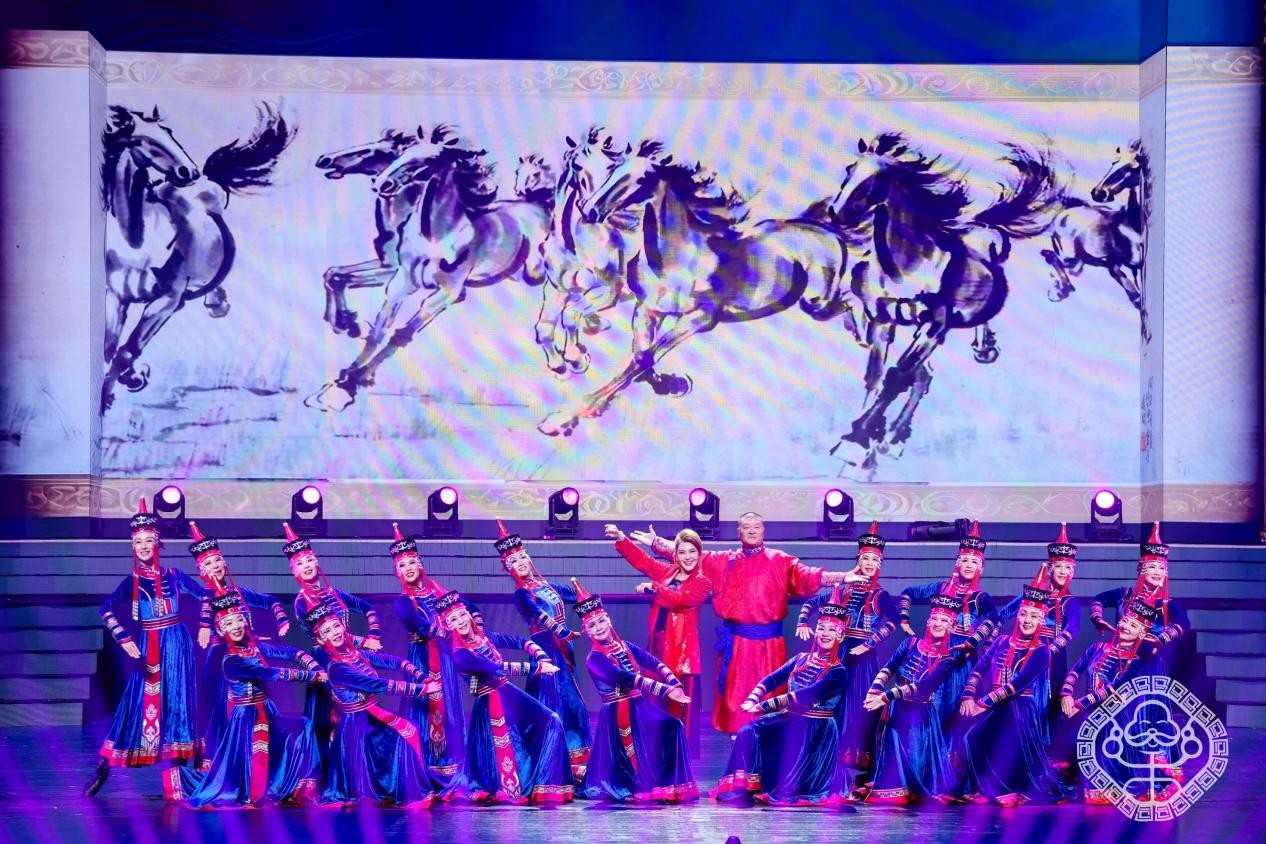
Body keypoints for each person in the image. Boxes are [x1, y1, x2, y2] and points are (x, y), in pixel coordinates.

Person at [639, 512, 851, 733]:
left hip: (769, 647)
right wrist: (656, 544)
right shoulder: (725, 561)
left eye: (756, 527)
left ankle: (767, 738)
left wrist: (842, 577)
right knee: (736, 707)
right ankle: (737, 743)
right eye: (746, 527)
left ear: (763, 530)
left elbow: (808, 575)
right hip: (737, 646)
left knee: (768, 704)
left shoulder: (780, 560)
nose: (751, 531)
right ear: (738, 532)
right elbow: (693, 557)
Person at [84, 498, 208, 798]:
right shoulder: (132, 581)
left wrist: (205, 625)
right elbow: (105, 609)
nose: (143, 546)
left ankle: (179, 779)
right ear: (132, 546)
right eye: (138, 541)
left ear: (158, 543)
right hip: (149, 647)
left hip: (177, 644)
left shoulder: (175, 575)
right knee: (136, 704)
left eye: (148, 540)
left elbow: (206, 596)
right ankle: (104, 766)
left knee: (178, 703)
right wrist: (125, 639)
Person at [162, 585, 324, 807]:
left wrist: (312, 663)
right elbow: (269, 673)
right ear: (221, 631)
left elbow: (289, 652)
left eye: (239, 620)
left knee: (303, 725)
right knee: (246, 766)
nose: (236, 626)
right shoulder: (230, 660)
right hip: (247, 718)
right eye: (229, 624)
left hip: (267, 711)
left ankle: (298, 787)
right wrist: (311, 676)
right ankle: (252, 791)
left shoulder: (256, 648)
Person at [434, 579, 575, 804]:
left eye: (461, 615)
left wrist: (538, 652)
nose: (460, 622)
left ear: (468, 615)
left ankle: (547, 784)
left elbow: (518, 641)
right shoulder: (460, 654)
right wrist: (537, 668)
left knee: (551, 720)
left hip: (506, 693)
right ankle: (512, 787)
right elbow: (496, 668)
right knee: (505, 750)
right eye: (453, 620)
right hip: (490, 703)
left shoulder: (484, 638)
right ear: (448, 626)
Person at [712, 584, 849, 806]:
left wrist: (762, 706)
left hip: (815, 728)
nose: (825, 634)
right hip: (792, 717)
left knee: (781, 740)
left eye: (832, 630)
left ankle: (780, 785)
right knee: (748, 730)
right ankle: (745, 786)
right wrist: (752, 698)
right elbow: (771, 679)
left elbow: (804, 695)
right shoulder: (801, 659)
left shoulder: (838, 672)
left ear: (840, 636)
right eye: (822, 628)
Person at [949, 568, 1067, 807]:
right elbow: (979, 668)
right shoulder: (1002, 641)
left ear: (1041, 620)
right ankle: (985, 788)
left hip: (1021, 709)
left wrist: (982, 704)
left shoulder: (1042, 651)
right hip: (997, 707)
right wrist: (968, 696)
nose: (1027, 620)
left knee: (1009, 749)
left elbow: (1016, 686)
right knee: (971, 739)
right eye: (1023, 614)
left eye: (1033, 616)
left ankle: (1009, 790)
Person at [572, 577, 697, 802]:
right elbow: (626, 678)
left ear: (608, 620)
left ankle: (669, 784)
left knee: (673, 725)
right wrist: (665, 690)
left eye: (601, 621)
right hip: (618, 713)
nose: (598, 628)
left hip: (639, 705)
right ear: (586, 631)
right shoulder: (595, 659)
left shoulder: (625, 646)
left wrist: (674, 683)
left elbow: (653, 662)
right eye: (592, 625)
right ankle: (638, 784)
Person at [798, 521, 897, 794]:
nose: (869, 564)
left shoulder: (880, 595)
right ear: (858, 560)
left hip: (863, 660)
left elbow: (893, 622)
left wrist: (870, 643)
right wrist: (803, 621)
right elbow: (811, 602)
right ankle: (828, 765)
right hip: (839, 655)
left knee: (861, 709)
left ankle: (863, 772)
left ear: (880, 564)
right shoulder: (843, 589)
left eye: (874, 560)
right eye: (865, 559)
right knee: (834, 706)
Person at [310, 607, 442, 807]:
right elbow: (376, 684)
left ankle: (396, 789)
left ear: (344, 628)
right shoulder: (337, 667)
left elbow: (393, 661)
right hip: (356, 726)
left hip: (371, 714)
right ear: (321, 640)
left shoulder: (355, 655)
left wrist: (421, 676)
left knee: (410, 729)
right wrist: (421, 689)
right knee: (404, 733)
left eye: (336, 626)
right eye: (327, 631)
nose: (335, 632)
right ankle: (409, 793)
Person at [496, 519, 592, 781]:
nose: (520, 562)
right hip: (547, 648)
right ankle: (555, 759)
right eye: (513, 561)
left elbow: (574, 596)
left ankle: (577, 759)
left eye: (523, 557)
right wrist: (562, 632)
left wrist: (587, 599)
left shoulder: (546, 586)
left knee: (574, 703)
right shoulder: (521, 594)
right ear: (507, 567)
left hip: (563, 649)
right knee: (555, 700)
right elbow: (539, 615)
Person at [605, 522, 711, 755]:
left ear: (699, 553)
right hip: (657, 649)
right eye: (682, 552)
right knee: (654, 704)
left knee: (678, 709)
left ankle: (679, 756)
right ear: (675, 554)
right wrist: (622, 538)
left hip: (681, 656)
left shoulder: (702, 582)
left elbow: (680, 600)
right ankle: (655, 753)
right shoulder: (668, 572)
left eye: (692, 551)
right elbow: (643, 561)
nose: (688, 557)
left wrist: (654, 588)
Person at [187, 521, 290, 760]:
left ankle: (256, 759)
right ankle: (226, 760)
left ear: (224, 562)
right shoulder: (207, 595)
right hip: (224, 660)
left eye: (217, 561)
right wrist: (204, 626)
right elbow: (206, 611)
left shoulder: (240, 593)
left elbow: (270, 601)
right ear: (201, 571)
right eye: (207, 564)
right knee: (226, 708)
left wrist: (281, 617)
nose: (214, 567)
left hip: (250, 656)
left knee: (259, 705)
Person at [282, 522, 383, 754]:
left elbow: (367, 607)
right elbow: (328, 631)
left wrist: (374, 633)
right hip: (327, 658)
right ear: (294, 571)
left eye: (309, 560)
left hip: (349, 655)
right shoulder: (302, 602)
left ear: (316, 561)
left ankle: (360, 760)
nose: (306, 566)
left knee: (362, 708)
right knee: (334, 715)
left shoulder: (334, 593)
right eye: (300, 563)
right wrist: (365, 642)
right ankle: (335, 764)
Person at [1057, 592, 1160, 804]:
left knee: (1098, 740)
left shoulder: (1137, 661)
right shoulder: (1097, 648)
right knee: (1070, 740)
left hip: (1117, 715)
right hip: (1089, 711)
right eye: (1125, 621)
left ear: (1142, 633)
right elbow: (1074, 672)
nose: (1125, 627)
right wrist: (1066, 694)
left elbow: (1113, 689)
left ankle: (1111, 785)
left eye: (1133, 626)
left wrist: (1079, 704)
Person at [862, 593, 965, 805]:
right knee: (893, 755)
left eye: (944, 620)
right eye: (934, 618)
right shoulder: (910, 644)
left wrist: (886, 695)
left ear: (952, 627)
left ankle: (915, 788)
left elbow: (925, 686)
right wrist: (874, 689)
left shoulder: (947, 660)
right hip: (897, 710)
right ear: (927, 621)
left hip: (920, 715)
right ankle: (892, 788)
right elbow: (889, 668)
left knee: (915, 759)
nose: (938, 623)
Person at [389, 522, 469, 788]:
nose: (408, 568)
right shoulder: (403, 602)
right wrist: (449, 630)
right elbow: (420, 625)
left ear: (420, 562)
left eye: (411, 562)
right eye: (402, 565)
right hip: (422, 658)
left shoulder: (438, 592)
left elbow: (467, 607)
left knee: (450, 708)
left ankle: (452, 769)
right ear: (397, 571)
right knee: (422, 709)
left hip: (445, 658)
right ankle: (423, 770)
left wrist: (473, 622)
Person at [897, 520, 998, 728]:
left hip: (962, 656)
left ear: (981, 567)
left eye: (974, 562)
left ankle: (952, 748)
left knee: (956, 705)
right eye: (965, 560)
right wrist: (904, 619)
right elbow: (908, 592)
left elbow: (993, 619)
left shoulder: (980, 597)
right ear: (957, 562)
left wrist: (974, 641)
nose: (968, 565)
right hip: (934, 650)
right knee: (930, 701)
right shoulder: (940, 587)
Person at [993, 523, 1080, 743]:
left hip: (1053, 657)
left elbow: (1073, 627)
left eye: (1068, 568)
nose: (1063, 572)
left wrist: (1051, 650)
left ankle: (1046, 748)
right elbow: (1002, 614)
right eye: (1059, 567)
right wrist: (992, 642)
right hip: (1024, 653)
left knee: (1050, 700)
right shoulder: (1033, 596)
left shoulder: (1070, 602)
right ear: (1049, 569)